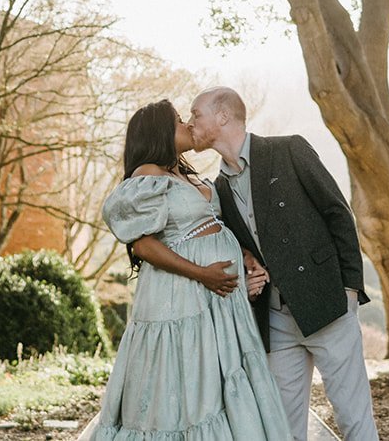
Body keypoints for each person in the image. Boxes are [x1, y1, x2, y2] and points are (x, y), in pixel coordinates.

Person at [87, 99, 289, 441]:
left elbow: (210, 225)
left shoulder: (187, 174)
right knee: (185, 386)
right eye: (180, 121)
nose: (188, 126)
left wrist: (244, 257)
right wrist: (201, 273)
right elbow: (143, 245)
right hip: (180, 297)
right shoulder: (147, 174)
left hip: (218, 300)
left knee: (216, 379)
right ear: (160, 132)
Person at [189, 87, 380, 441]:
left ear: (223, 116)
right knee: (283, 429)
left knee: (354, 419)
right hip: (274, 320)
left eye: (196, 114)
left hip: (327, 305)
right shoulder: (220, 189)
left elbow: (337, 212)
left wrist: (350, 289)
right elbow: (244, 250)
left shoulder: (288, 149)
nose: (190, 123)